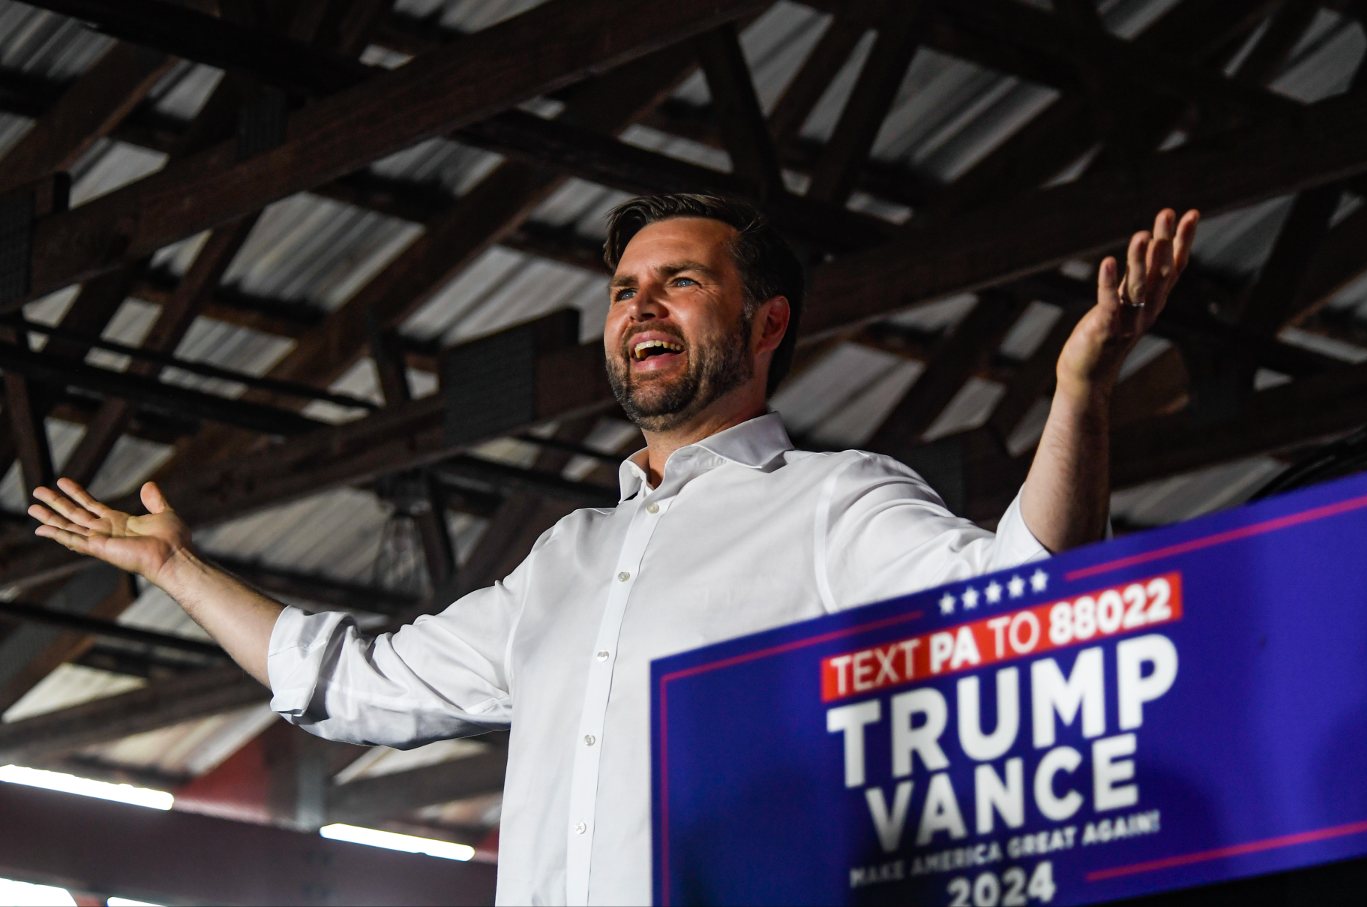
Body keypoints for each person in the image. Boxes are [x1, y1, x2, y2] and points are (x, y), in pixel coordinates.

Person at [30, 194, 1199, 905]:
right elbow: (353, 685)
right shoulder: (563, 558)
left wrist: (1079, 391)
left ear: (766, 322)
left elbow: (1026, 599)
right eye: (626, 289)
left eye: (681, 283)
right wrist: (178, 570)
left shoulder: (835, 505)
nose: (640, 308)